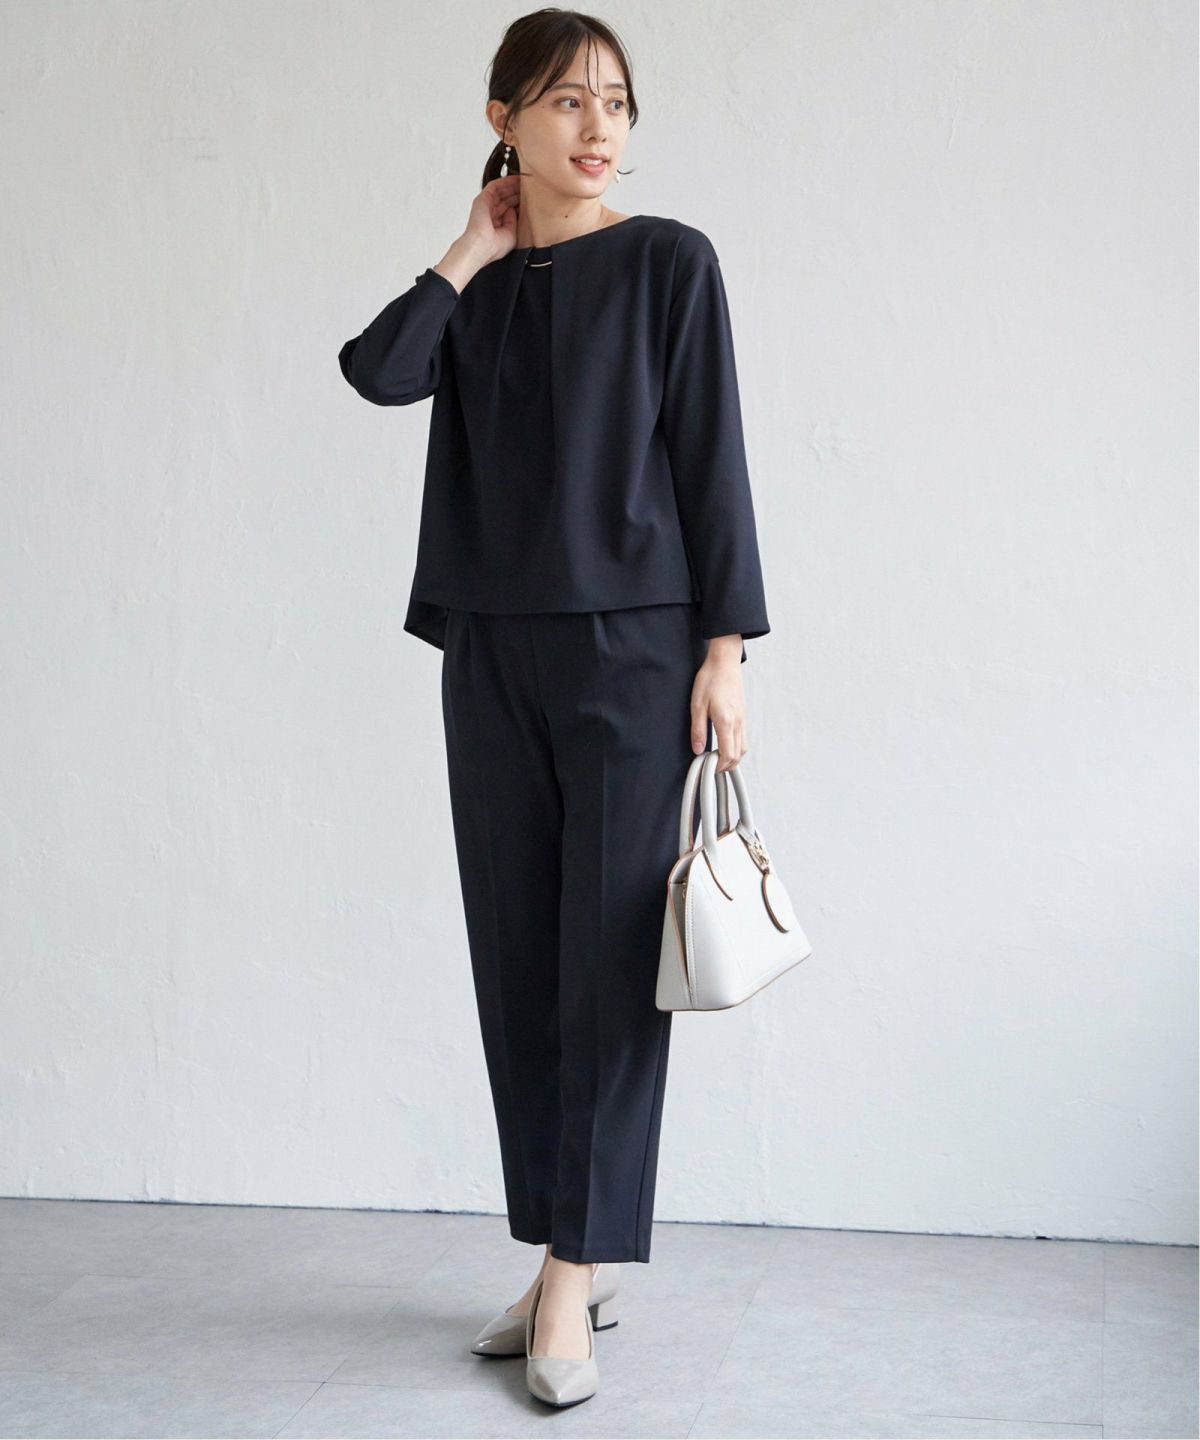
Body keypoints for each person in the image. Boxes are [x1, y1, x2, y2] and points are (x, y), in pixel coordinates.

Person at [337, 9, 770, 1409]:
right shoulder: (477, 288)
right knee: (519, 956)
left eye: (616, 103)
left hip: (634, 656)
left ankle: (579, 1273)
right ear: (504, 119)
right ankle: (554, 1251)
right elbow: (378, 371)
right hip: (489, 652)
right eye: (567, 100)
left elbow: (712, 458)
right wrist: (466, 250)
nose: (598, 127)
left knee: (607, 962)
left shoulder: (669, 263)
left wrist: (724, 653)